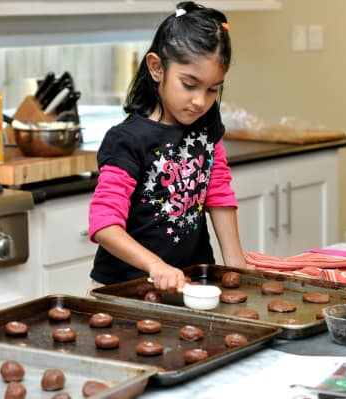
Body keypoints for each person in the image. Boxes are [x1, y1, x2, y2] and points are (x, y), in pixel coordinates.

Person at [88, 1, 246, 293]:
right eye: (189, 84)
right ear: (157, 68)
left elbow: (218, 191)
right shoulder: (127, 140)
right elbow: (104, 224)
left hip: (191, 281)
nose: (201, 101)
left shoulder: (206, 127)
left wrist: (237, 266)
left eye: (213, 89)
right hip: (124, 288)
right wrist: (156, 266)